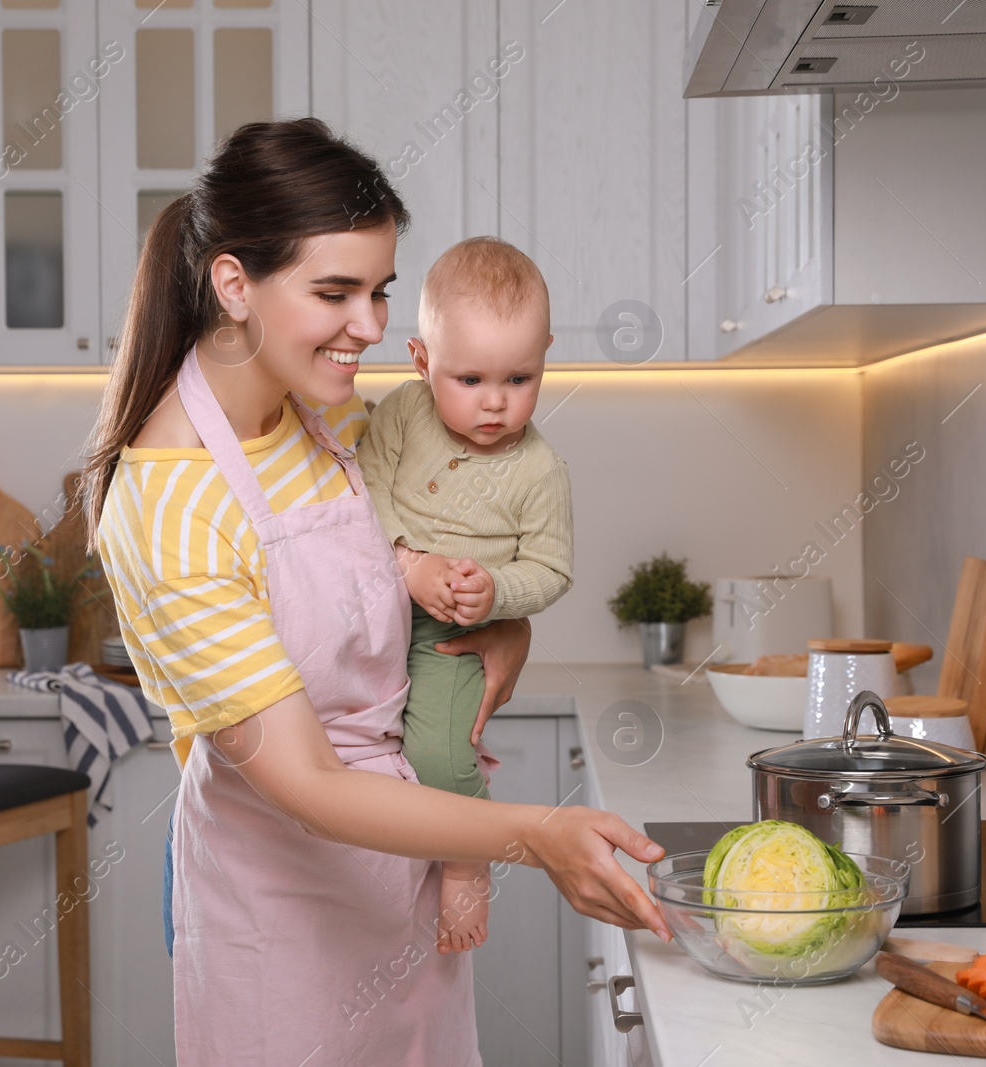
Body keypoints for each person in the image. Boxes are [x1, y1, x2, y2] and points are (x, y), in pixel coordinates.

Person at [81, 117, 668, 1066]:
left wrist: (506, 635)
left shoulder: (331, 414)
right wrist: (535, 833)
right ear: (235, 284)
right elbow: (308, 784)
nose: (370, 326)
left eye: (380, 290)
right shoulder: (170, 507)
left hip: (402, 863)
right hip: (280, 899)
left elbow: (443, 576)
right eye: (335, 292)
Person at [356, 236, 571, 955]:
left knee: (442, 754)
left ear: (545, 354)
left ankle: (467, 854)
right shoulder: (398, 416)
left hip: (449, 636)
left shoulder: (540, 468)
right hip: (383, 606)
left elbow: (551, 567)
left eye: (519, 377)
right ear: (420, 361)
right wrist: (406, 562)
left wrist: (499, 594)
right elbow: (368, 492)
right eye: (470, 378)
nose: (495, 402)